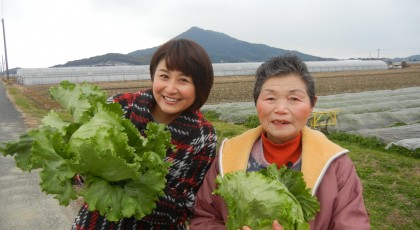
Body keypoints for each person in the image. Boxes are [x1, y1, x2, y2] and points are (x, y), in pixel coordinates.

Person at [190, 55, 370, 230]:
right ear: (256, 103)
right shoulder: (228, 155)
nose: (281, 109)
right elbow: (205, 217)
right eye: (270, 98)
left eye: (294, 99)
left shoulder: (337, 166)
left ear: (312, 104)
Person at [72, 38, 217, 229]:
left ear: (199, 86)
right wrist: (85, 170)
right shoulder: (120, 106)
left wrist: (128, 178)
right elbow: (78, 164)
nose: (171, 89)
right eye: (164, 76)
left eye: (183, 80)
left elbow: (186, 206)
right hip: (97, 223)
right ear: (153, 76)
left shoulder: (203, 136)